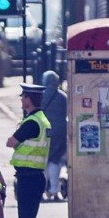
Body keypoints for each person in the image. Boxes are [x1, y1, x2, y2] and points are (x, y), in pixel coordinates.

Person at [7, 84, 51, 218]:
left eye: (22, 97)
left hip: (29, 178)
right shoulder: (41, 121)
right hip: (33, 177)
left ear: (28, 99)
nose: (21, 100)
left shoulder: (32, 122)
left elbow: (11, 142)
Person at [41, 70, 68, 201]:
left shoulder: (40, 96)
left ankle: (41, 190)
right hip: (60, 132)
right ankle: (54, 190)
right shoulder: (63, 97)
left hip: (44, 132)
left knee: (43, 161)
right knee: (55, 160)